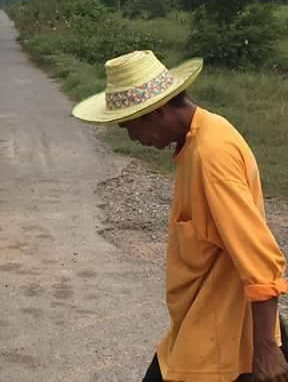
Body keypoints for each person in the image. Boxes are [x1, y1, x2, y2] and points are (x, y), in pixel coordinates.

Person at [72, 50, 288, 382]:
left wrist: (267, 349)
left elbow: (261, 260)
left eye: (130, 126)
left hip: (222, 343)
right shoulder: (200, 137)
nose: (133, 138)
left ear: (157, 111)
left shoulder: (211, 156)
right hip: (200, 325)